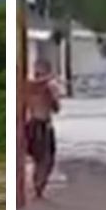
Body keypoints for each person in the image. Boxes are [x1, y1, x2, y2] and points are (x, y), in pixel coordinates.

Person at [24, 59, 62, 198]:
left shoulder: (27, 86)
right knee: (46, 159)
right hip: (43, 125)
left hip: (30, 125)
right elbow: (56, 108)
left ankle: (37, 188)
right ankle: (38, 188)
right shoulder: (49, 86)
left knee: (37, 159)